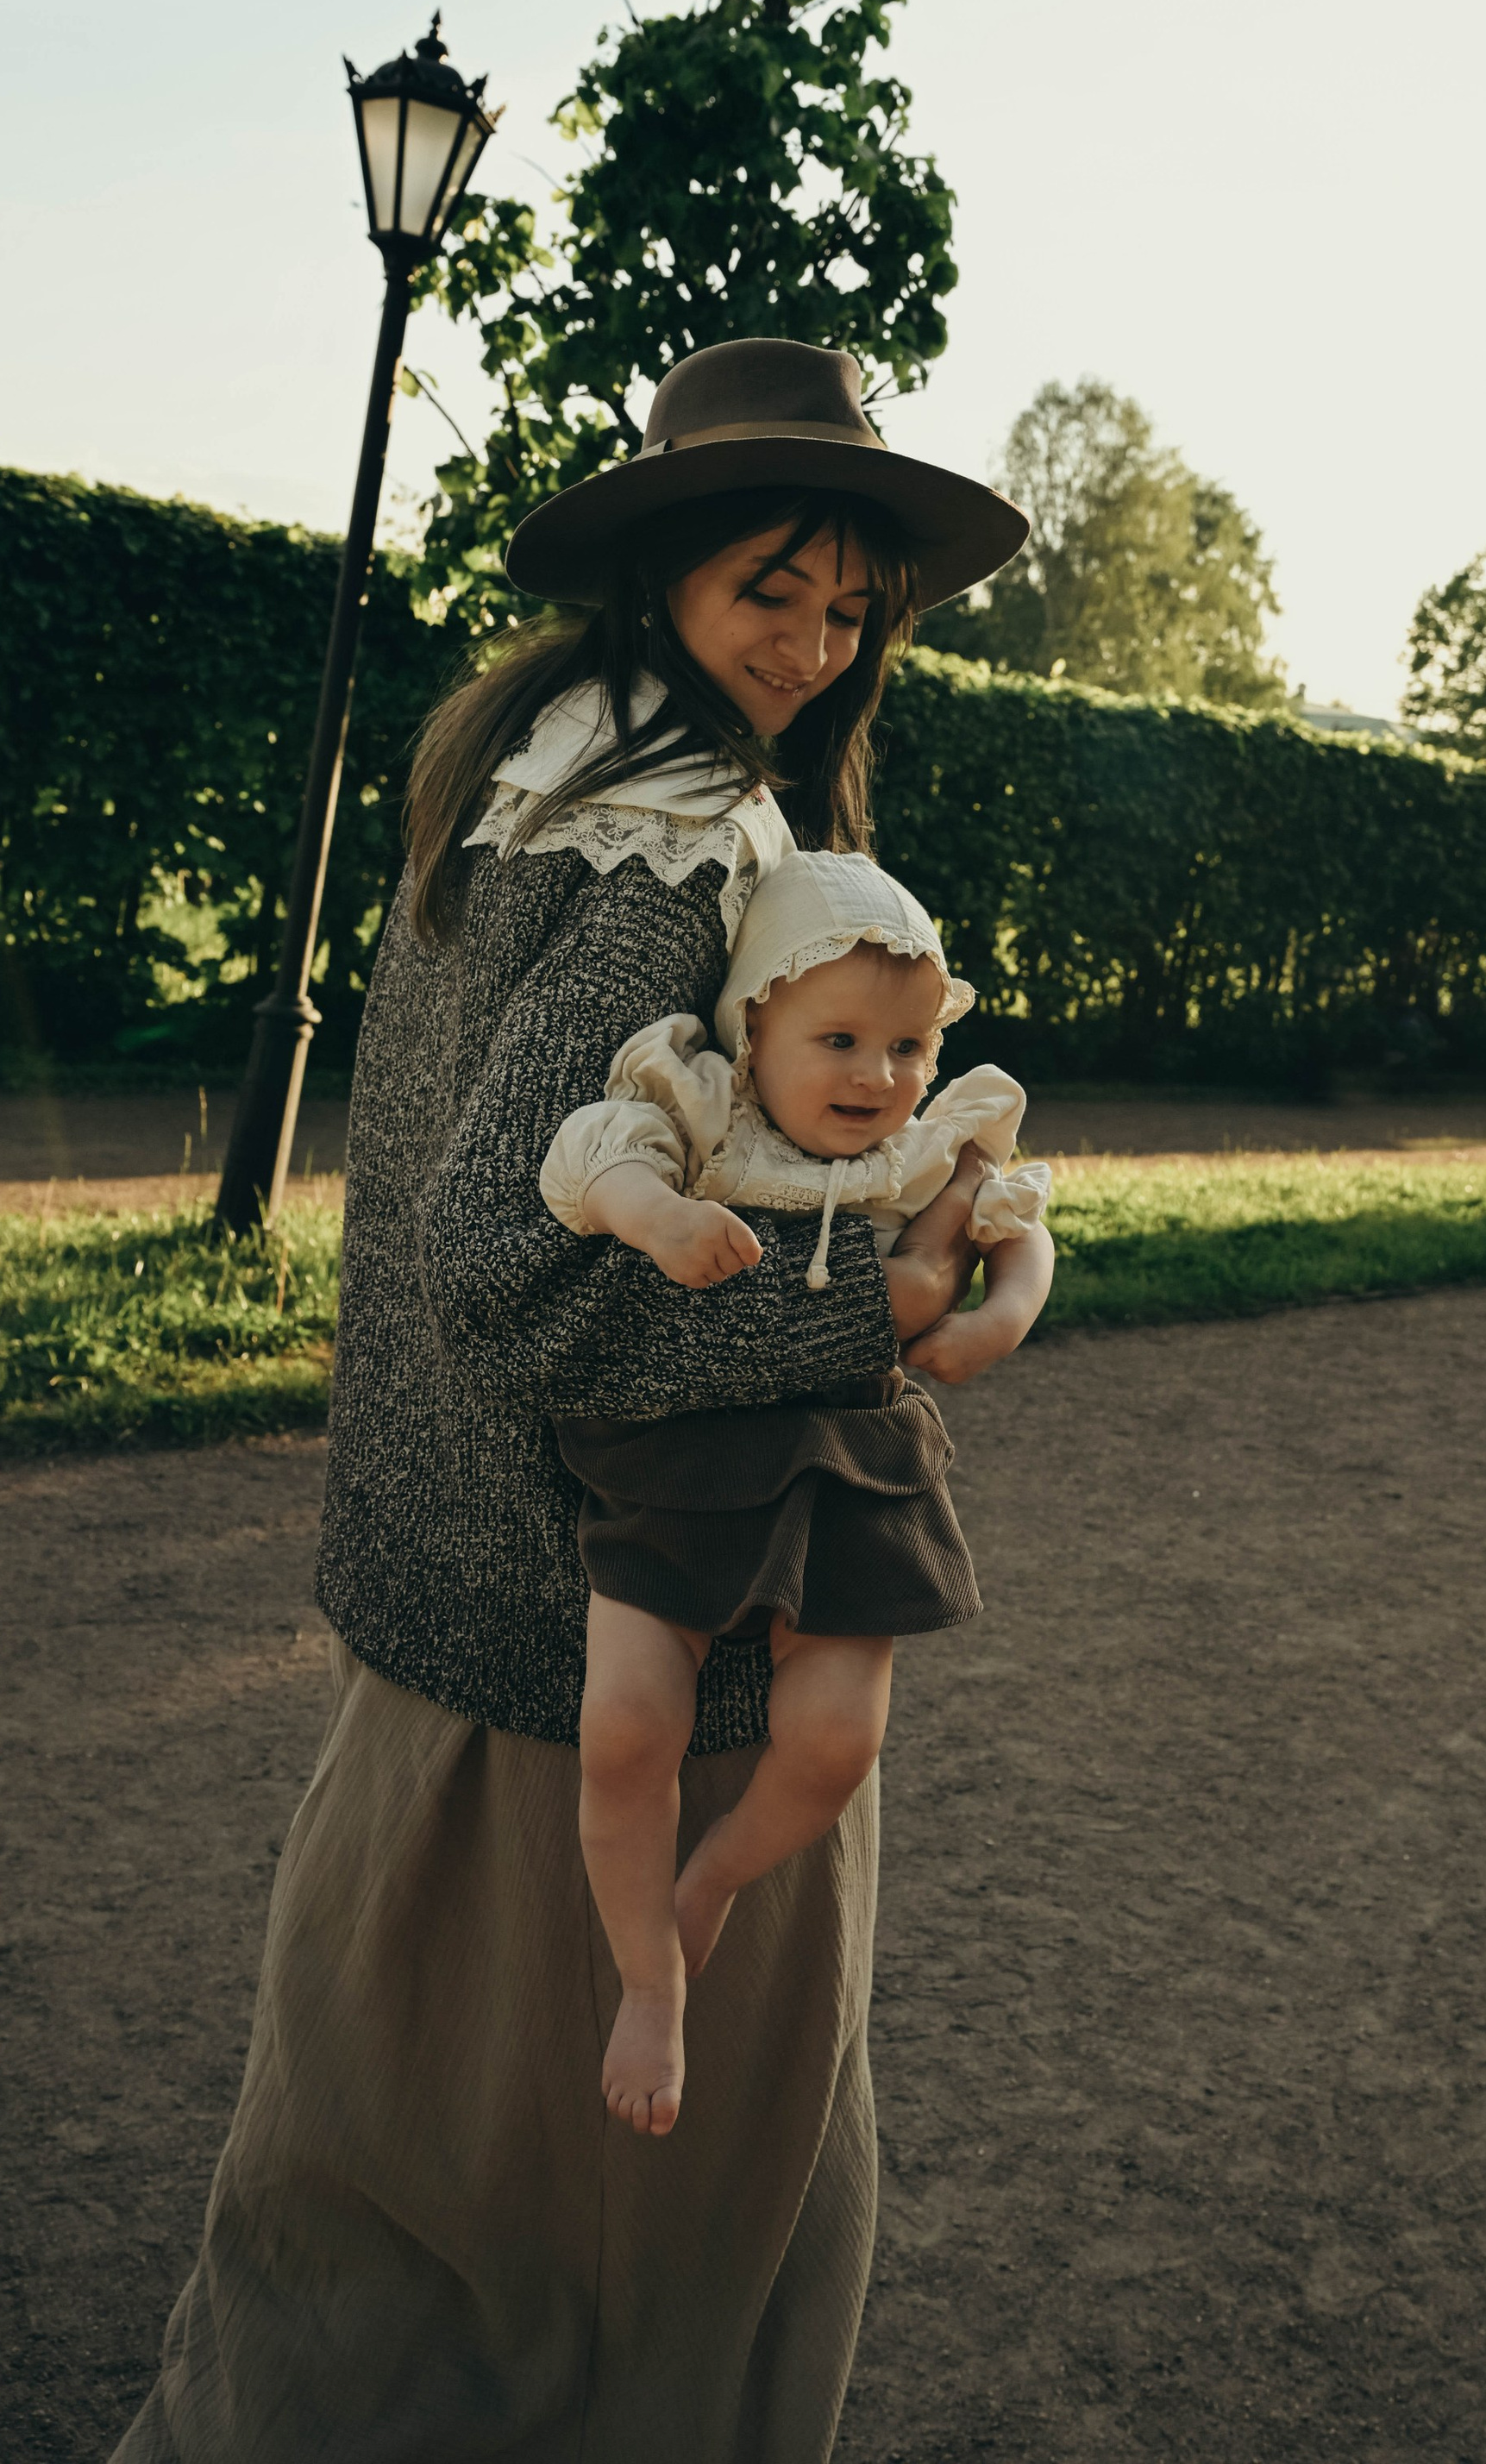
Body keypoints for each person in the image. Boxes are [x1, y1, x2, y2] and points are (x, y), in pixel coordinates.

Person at [115, 338, 1032, 2464]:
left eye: (846, 607)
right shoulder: (681, 842)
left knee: (362, 2231)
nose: (811, 646)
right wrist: (863, 1323)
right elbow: (504, 1242)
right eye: (765, 597)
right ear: (662, 590)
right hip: (640, 1633)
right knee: (660, 2262)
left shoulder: (520, 757)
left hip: (457, 1607)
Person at [539, 848, 1057, 2136]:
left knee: (836, 1739)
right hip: (684, 1462)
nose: (878, 1077)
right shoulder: (700, 1108)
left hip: (851, 1467)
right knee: (624, 1731)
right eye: (839, 1039)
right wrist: (656, 1218)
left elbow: (1021, 1226)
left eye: (908, 1048)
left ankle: (710, 1880)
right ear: (753, 1025)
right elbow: (586, 1160)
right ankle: (647, 1979)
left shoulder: (927, 1149)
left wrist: (1002, 1320)